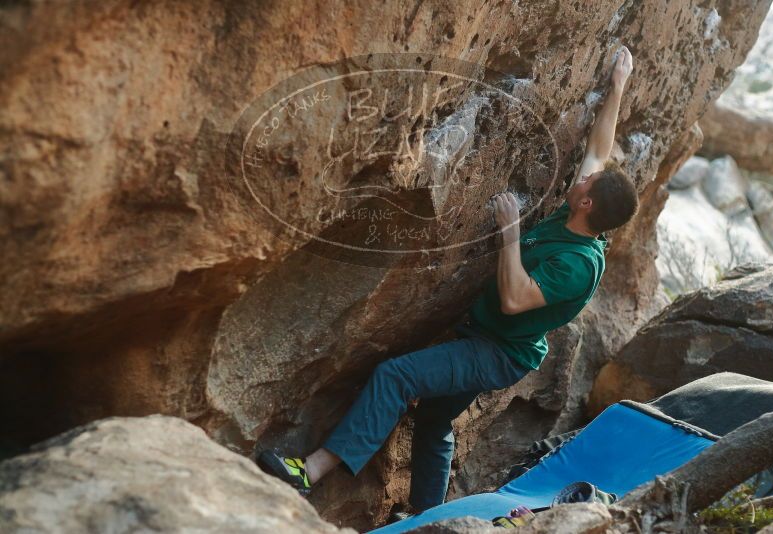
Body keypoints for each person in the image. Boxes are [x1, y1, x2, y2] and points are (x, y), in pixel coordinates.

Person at [255, 46, 638, 517]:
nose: (581, 180)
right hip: (488, 340)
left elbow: (517, 299)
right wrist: (618, 84)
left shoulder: (576, 263)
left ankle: (307, 472)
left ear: (588, 206)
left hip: (497, 352)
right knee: (435, 420)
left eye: (584, 187)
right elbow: (599, 149)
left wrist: (511, 231)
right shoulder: (580, 216)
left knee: (395, 376)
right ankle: (430, 520)